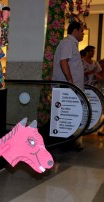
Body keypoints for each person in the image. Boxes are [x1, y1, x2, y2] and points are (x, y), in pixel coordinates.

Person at [52, 21, 84, 151]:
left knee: (68, 115)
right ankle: (60, 143)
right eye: (82, 31)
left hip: (69, 87)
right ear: (75, 31)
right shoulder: (67, 43)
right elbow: (63, 61)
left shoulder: (72, 44)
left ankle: (67, 142)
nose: (82, 34)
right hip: (66, 87)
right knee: (63, 116)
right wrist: (70, 81)